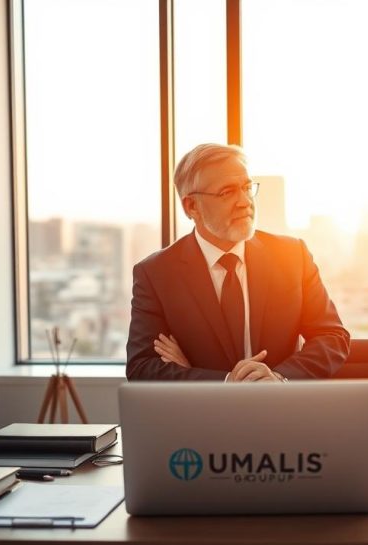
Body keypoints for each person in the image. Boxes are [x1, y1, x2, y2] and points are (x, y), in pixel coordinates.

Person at [125, 143, 349, 382]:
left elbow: (332, 337)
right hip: (205, 417)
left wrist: (280, 377)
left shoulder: (292, 256)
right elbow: (141, 367)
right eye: (227, 192)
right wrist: (223, 382)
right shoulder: (157, 274)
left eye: (247, 187)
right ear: (191, 206)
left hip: (281, 411)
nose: (245, 201)